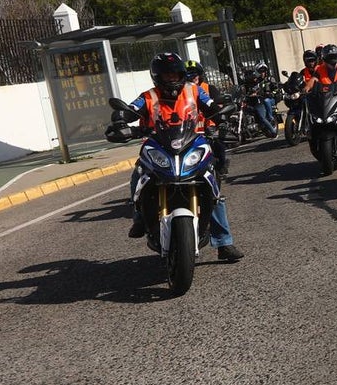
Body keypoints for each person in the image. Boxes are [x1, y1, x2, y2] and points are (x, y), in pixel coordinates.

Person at [115, 53, 244, 261]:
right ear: (157, 77)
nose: (172, 79)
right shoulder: (148, 96)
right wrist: (121, 120)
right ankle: (139, 217)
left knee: (212, 186)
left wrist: (221, 119)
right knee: (138, 175)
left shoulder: (194, 91)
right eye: (167, 75)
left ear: (182, 75)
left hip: (192, 143)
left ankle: (224, 243)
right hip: (159, 145)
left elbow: (211, 106)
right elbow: (131, 110)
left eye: (175, 74)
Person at [183, 59, 229, 177]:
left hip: (209, 125)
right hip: (189, 128)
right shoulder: (181, 93)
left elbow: (219, 105)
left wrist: (220, 116)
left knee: (217, 144)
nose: (192, 78)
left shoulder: (209, 88)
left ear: (200, 75)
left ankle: (221, 165)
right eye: (188, 75)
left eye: (195, 74)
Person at [240, 64, 279, 138]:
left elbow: (274, 88)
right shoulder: (251, 83)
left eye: (263, 71)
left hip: (264, 100)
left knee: (262, 116)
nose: (261, 73)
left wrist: (270, 93)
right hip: (255, 100)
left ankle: (273, 132)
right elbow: (245, 91)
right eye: (260, 71)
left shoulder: (267, 80)